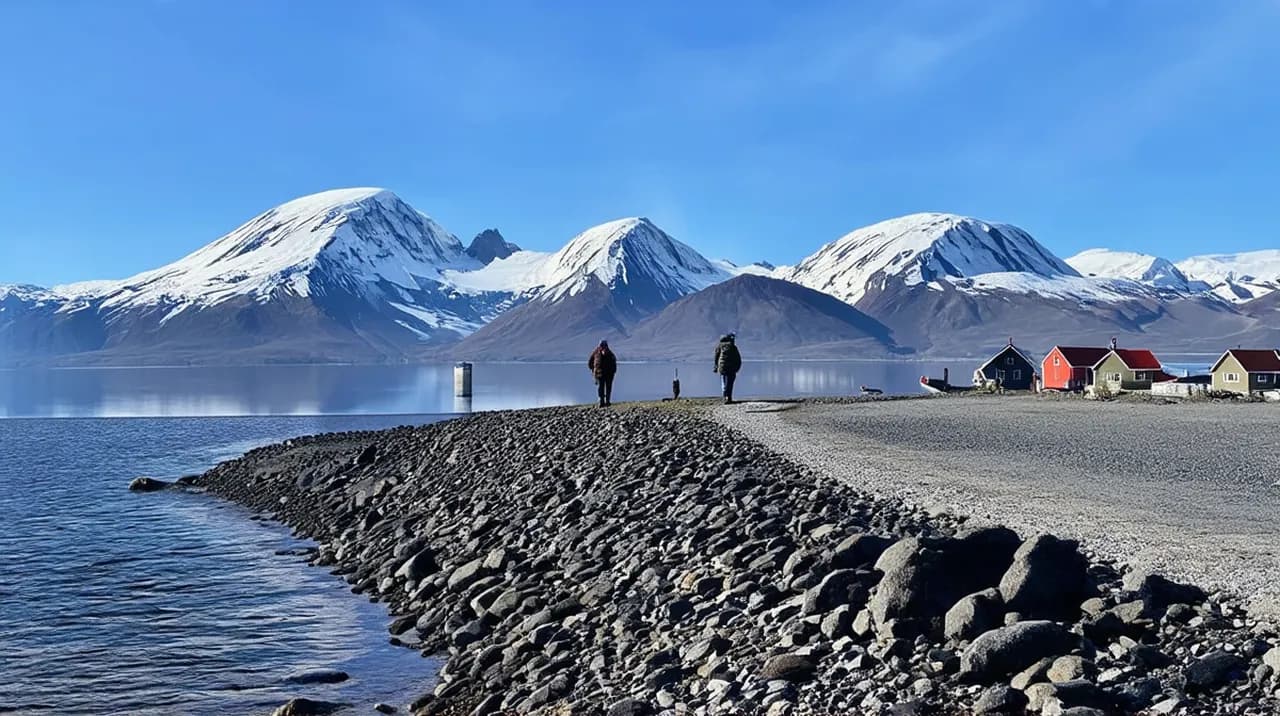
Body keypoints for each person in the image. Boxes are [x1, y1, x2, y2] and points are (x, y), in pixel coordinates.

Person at [713, 333, 742, 404]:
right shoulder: (733, 347)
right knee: (730, 383)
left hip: (722, 367)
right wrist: (737, 368)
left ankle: (724, 396)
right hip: (731, 368)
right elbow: (738, 358)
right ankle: (729, 397)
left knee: (723, 382)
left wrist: (716, 366)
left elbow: (716, 357)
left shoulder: (719, 346)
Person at [587, 340, 617, 407]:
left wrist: (613, 372)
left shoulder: (610, 354)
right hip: (599, 373)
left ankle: (607, 401)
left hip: (609, 374)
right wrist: (593, 370)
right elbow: (590, 362)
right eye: (602, 346)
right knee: (601, 387)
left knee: (608, 387)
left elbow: (614, 364)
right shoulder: (596, 353)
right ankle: (601, 401)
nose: (603, 347)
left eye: (604, 346)